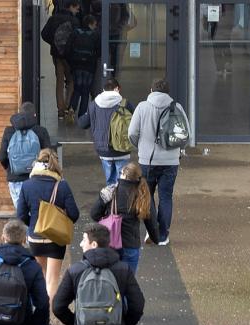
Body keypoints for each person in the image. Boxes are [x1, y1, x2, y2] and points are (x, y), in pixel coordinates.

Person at [52, 223, 145, 325]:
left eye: (83, 240)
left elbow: (58, 306)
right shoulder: (122, 269)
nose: (80, 244)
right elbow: (138, 304)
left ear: (93, 245)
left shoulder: (75, 271)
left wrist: (77, 324)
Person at [17, 148, 79, 325]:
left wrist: (35, 225)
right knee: (51, 280)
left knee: (37, 277)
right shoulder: (62, 185)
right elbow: (74, 214)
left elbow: (21, 214)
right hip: (55, 239)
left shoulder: (27, 185)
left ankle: (34, 316)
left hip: (34, 238)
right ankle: (44, 321)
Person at [128, 79, 188, 246]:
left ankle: (152, 231)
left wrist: (140, 147)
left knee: (147, 196)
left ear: (151, 89)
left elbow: (132, 132)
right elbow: (185, 134)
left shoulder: (142, 107)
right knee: (166, 197)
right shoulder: (177, 107)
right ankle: (163, 235)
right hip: (171, 161)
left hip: (148, 160)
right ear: (167, 92)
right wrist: (177, 150)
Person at [90, 162, 159, 273]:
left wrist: (105, 209)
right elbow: (151, 221)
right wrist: (156, 238)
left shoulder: (111, 191)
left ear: (123, 174)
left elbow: (94, 214)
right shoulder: (143, 194)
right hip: (131, 245)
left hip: (110, 244)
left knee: (111, 280)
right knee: (128, 282)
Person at [78, 78, 134, 186]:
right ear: (117, 88)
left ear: (104, 89)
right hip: (122, 149)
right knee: (123, 183)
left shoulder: (94, 104)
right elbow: (136, 122)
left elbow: (83, 124)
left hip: (103, 150)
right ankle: (120, 201)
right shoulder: (125, 104)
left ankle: (111, 201)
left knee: (110, 183)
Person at [0, 102, 52, 209]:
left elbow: (1, 157)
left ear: (19, 114)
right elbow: (48, 156)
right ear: (34, 115)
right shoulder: (41, 131)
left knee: (22, 215)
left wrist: (10, 168)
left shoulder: (9, 131)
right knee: (36, 214)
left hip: (15, 179)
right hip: (36, 178)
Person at [41, 0, 81, 119]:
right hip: (69, 57)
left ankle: (60, 111)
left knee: (59, 81)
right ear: (71, 7)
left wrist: (54, 44)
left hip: (57, 55)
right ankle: (68, 107)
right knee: (71, 81)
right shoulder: (75, 21)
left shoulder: (53, 19)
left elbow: (44, 34)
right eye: (77, 8)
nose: (77, 11)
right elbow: (77, 39)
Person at [67, 15, 100, 118]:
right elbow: (98, 51)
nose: (95, 27)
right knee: (85, 91)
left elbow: (68, 48)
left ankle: (71, 109)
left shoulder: (76, 32)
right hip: (89, 66)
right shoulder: (95, 35)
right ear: (90, 24)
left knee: (77, 88)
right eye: (94, 24)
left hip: (77, 65)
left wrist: (71, 62)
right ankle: (82, 115)